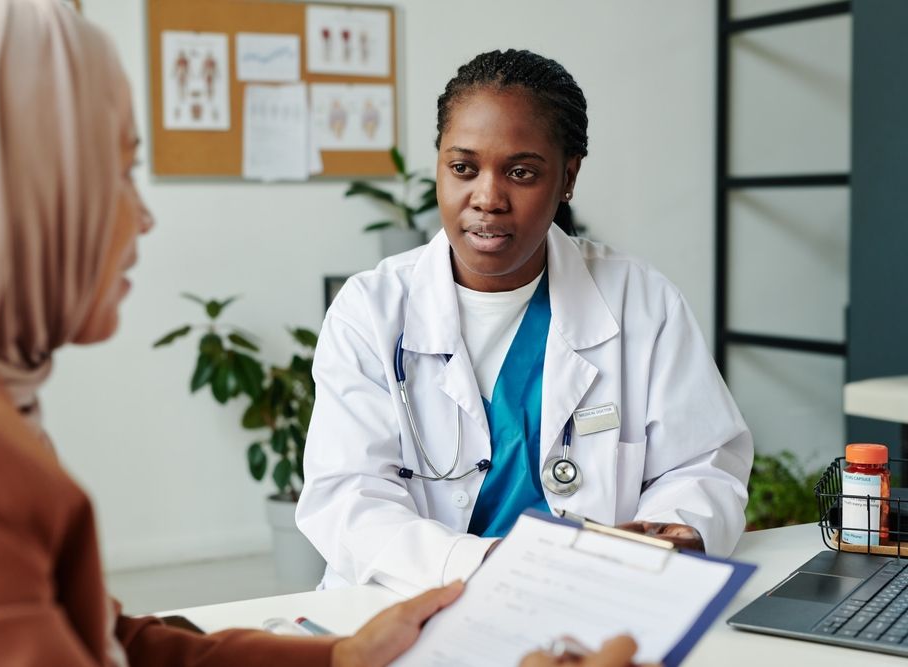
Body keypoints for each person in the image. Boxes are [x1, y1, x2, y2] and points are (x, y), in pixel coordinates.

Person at [0, 3, 647, 666]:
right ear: (14, 189)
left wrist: (338, 662)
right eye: (119, 171)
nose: (143, 215)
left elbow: (107, 641)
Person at [297, 49, 754, 596]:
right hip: (405, 606)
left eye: (521, 172)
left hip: (591, 603)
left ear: (568, 177)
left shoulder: (640, 301)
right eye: (463, 168)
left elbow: (704, 464)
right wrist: (484, 564)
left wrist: (676, 530)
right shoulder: (370, 310)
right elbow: (349, 498)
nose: (487, 199)